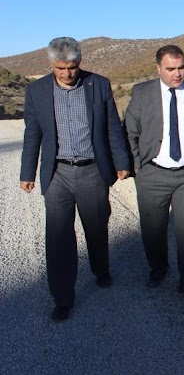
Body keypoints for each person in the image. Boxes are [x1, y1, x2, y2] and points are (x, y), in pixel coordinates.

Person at [19, 37, 130, 322]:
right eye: (61, 68)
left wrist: (121, 163)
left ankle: (101, 269)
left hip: (92, 170)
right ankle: (63, 297)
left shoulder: (99, 85)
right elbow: (33, 133)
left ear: (80, 62)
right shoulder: (36, 91)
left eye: (73, 67)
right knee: (58, 238)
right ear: (51, 64)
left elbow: (112, 128)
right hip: (57, 174)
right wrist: (27, 173)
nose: (68, 74)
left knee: (96, 227)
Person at [125, 45, 184, 303]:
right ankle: (158, 269)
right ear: (158, 69)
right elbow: (130, 130)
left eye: (181, 67)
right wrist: (138, 165)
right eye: (171, 69)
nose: (178, 74)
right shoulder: (142, 93)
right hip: (153, 175)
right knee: (153, 229)